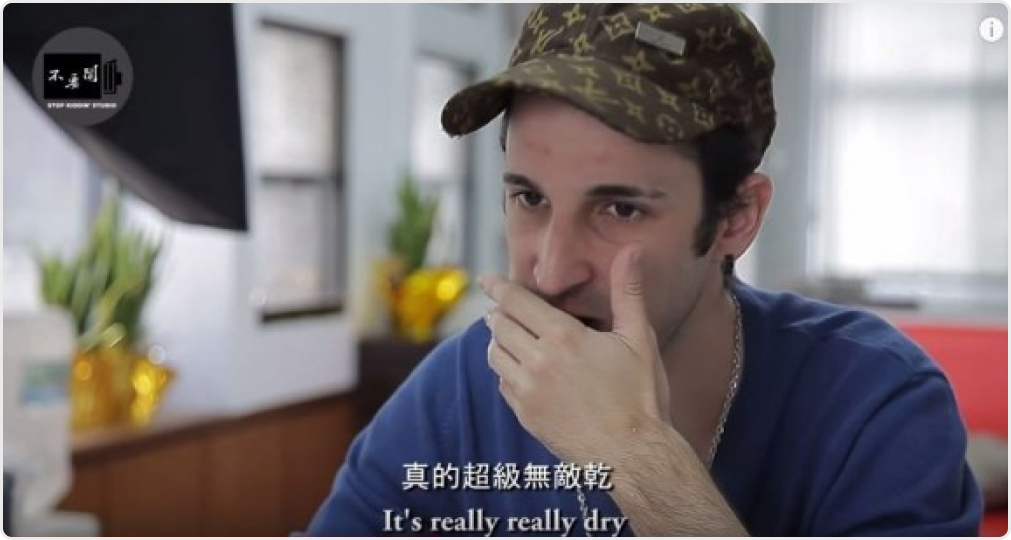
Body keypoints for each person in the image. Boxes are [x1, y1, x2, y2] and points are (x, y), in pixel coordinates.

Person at [304, 4, 982, 536]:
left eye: (620, 209)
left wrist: (633, 454)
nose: (550, 273)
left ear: (735, 217)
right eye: (529, 198)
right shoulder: (461, 385)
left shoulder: (875, 401)